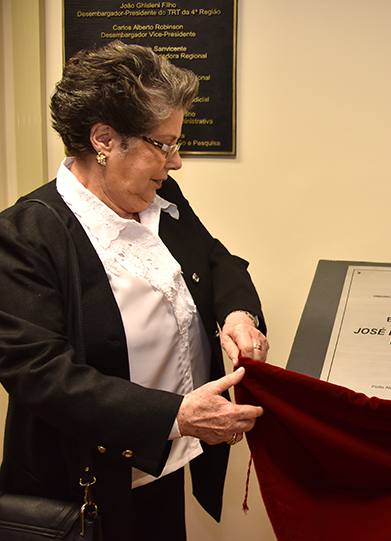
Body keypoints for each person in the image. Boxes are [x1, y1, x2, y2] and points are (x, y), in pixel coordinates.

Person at [0, 41, 268, 541]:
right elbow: (41, 375)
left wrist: (238, 315)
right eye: (164, 144)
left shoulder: (158, 196)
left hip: (163, 460)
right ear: (104, 139)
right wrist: (177, 414)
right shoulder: (25, 235)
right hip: (83, 488)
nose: (178, 161)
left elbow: (215, 260)